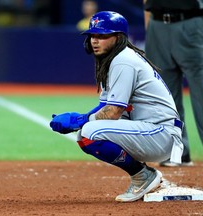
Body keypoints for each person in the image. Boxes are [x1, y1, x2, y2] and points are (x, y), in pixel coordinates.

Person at [50, 11, 184, 202]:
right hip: (153, 130)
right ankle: (143, 174)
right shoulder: (114, 59)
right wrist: (81, 119)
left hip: (162, 133)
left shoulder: (123, 61)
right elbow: (105, 107)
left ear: (119, 37)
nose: (95, 41)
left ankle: (143, 176)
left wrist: (78, 120)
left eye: (103, 36)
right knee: (86, 132)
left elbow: (113, 113)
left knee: (89, 133)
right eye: (93, 36)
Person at [143, 0, 203, 166]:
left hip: (191, 23)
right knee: (165, 94)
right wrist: (149, 27)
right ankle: (177, 152)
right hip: (157, 25)